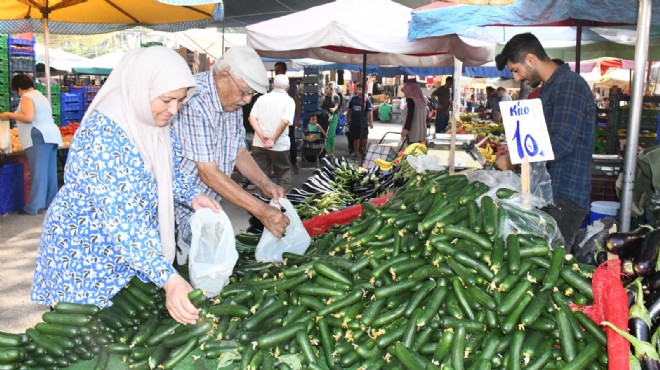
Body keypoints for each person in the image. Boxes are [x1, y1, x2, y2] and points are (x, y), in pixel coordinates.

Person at [30, 46, 221, 325]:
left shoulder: (153, 122)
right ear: (141, 88)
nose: (174, 110)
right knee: (78, 338)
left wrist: (191, 197)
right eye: (167, 99)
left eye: (180, 101)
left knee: (114, 333)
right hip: (86, 257)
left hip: (129, 252)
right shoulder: (105, 135)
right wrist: (169, 279)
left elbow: (169, 170)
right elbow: (124, 220)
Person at [172, 46, 289, 256]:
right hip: (177, 209)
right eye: (245, 92)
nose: (247, 100)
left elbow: (238, 152)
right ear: (223, 77)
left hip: (205, 208)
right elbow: (207, 172)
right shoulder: (196, 100)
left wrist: (266, 184)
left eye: (251, 94)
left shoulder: (230, 103)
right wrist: (261, 211)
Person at [495, 32, 595, 248]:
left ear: (530, 59)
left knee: (550, 262)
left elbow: (561, 142)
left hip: (564, 196)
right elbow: (538, 137)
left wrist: (513, 159)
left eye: (516, 70)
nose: (517, 78)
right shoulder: (549, 89)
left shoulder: (570, 86)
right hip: (549, 193)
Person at [0, 74, 62, 215]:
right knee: (49, 172)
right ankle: (50, 202)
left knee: (38, 172)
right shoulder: (41, 96)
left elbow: (28, 118)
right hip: (51, 135)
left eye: (17, 90)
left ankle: (33, 207)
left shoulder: (27, 97)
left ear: (19, 88)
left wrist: (10, 115)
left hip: (38, 135)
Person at [248, 74, 296, 191]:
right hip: (279, 146)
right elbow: (284, 121)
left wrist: (261, 135)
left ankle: (266, 202)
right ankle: (279, 202)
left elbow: (251, 118)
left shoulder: (262, 98)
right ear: (287, 87)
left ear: (273, 85)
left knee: (263, 175)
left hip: (259, 144)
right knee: (283, 172)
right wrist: (273, 140)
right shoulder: (289, 101)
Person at [274, 62, 301, 174]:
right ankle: (277, 168)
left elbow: (296, 100)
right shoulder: (273, 83)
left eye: (279, 70)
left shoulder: (291, 84)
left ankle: (293, 162)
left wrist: (298, 116)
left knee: (291, 141)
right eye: (275, 70)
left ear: (284, 71)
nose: (276, 72)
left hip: (289, 119)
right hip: (276, 118)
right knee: (275, 143)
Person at [346, 83, 373, 161]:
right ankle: (356, 153)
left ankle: (364, 151)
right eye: (356, 89)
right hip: (354, 121)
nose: (358, 90)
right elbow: (349, 109)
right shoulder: (353, 99)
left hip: (363, 122)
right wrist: (348, 118)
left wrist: (371, 122)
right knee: (355, 138)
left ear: (363, 90)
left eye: (359, 89)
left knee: (364, 137)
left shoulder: (367, 100)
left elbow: (370, 111)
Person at [320, 84, 340, 158]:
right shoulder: (324, 97)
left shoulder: (335, 97)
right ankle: (328, 152)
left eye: (327, 88)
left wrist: (333, 109)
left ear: (331, 89)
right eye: (325, 88)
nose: (325, 90)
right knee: (326, 135)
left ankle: (331, 152)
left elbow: (336, 106)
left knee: (330, 135)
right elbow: (321, 106)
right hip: (325, 117)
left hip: (333, 117)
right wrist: (321, 101)